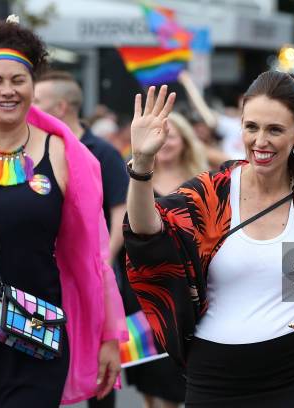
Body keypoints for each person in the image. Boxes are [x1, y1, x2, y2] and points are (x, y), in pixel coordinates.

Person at [124, 71, 294, 408]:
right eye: (251, 127)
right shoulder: (212, 192)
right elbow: (146, 235)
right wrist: (143, 164)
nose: (260, 141)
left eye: (275, 130)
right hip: (215, 377)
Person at [0, 17, 126, 405]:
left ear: (33, 85)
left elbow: (89, 258)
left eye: (18, 80)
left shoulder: (66, 156)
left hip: (31, 340)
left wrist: (108, 337)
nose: (7, 91)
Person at [33, 70, 129, 408]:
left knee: (100, 366)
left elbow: (119, 215)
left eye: (36, 101)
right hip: (49, 279)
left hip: (94, 277)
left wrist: (100, 262)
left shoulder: (101, 152)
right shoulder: (36, 148)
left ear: (60, 106)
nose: (27, 107)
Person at [123, 111, 208, 408]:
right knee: (154, 376)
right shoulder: (136, 176)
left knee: (186, 379)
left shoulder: (204, 178)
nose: (166, 142)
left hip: (194, 290)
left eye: (172, 135)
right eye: (161, 135)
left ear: (185, 140)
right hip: (148, 290)